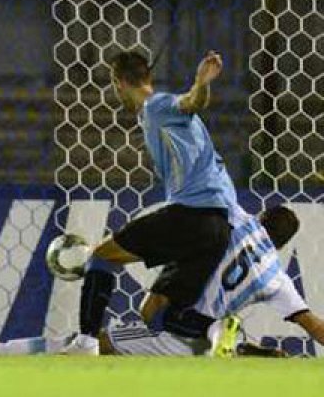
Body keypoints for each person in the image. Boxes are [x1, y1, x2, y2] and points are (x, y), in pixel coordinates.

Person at [0, 206, 324, 357]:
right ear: (282, 244)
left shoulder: (238, 220)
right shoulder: (277, 277)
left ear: (262, 217)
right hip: (193, 331)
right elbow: (313, 325)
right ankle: (240, 348)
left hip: (175, 334)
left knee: (87, 347)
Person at [62, 50, 237, 354]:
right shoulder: (158, 116)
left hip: (191, 215)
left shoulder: (156, 106)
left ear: (118, 83)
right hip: (219, 226)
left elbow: (191, 102)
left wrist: (201, 83)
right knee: (170, 316)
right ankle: (219, 329)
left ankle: (86, 342)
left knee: (101, 255)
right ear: (147, 76)